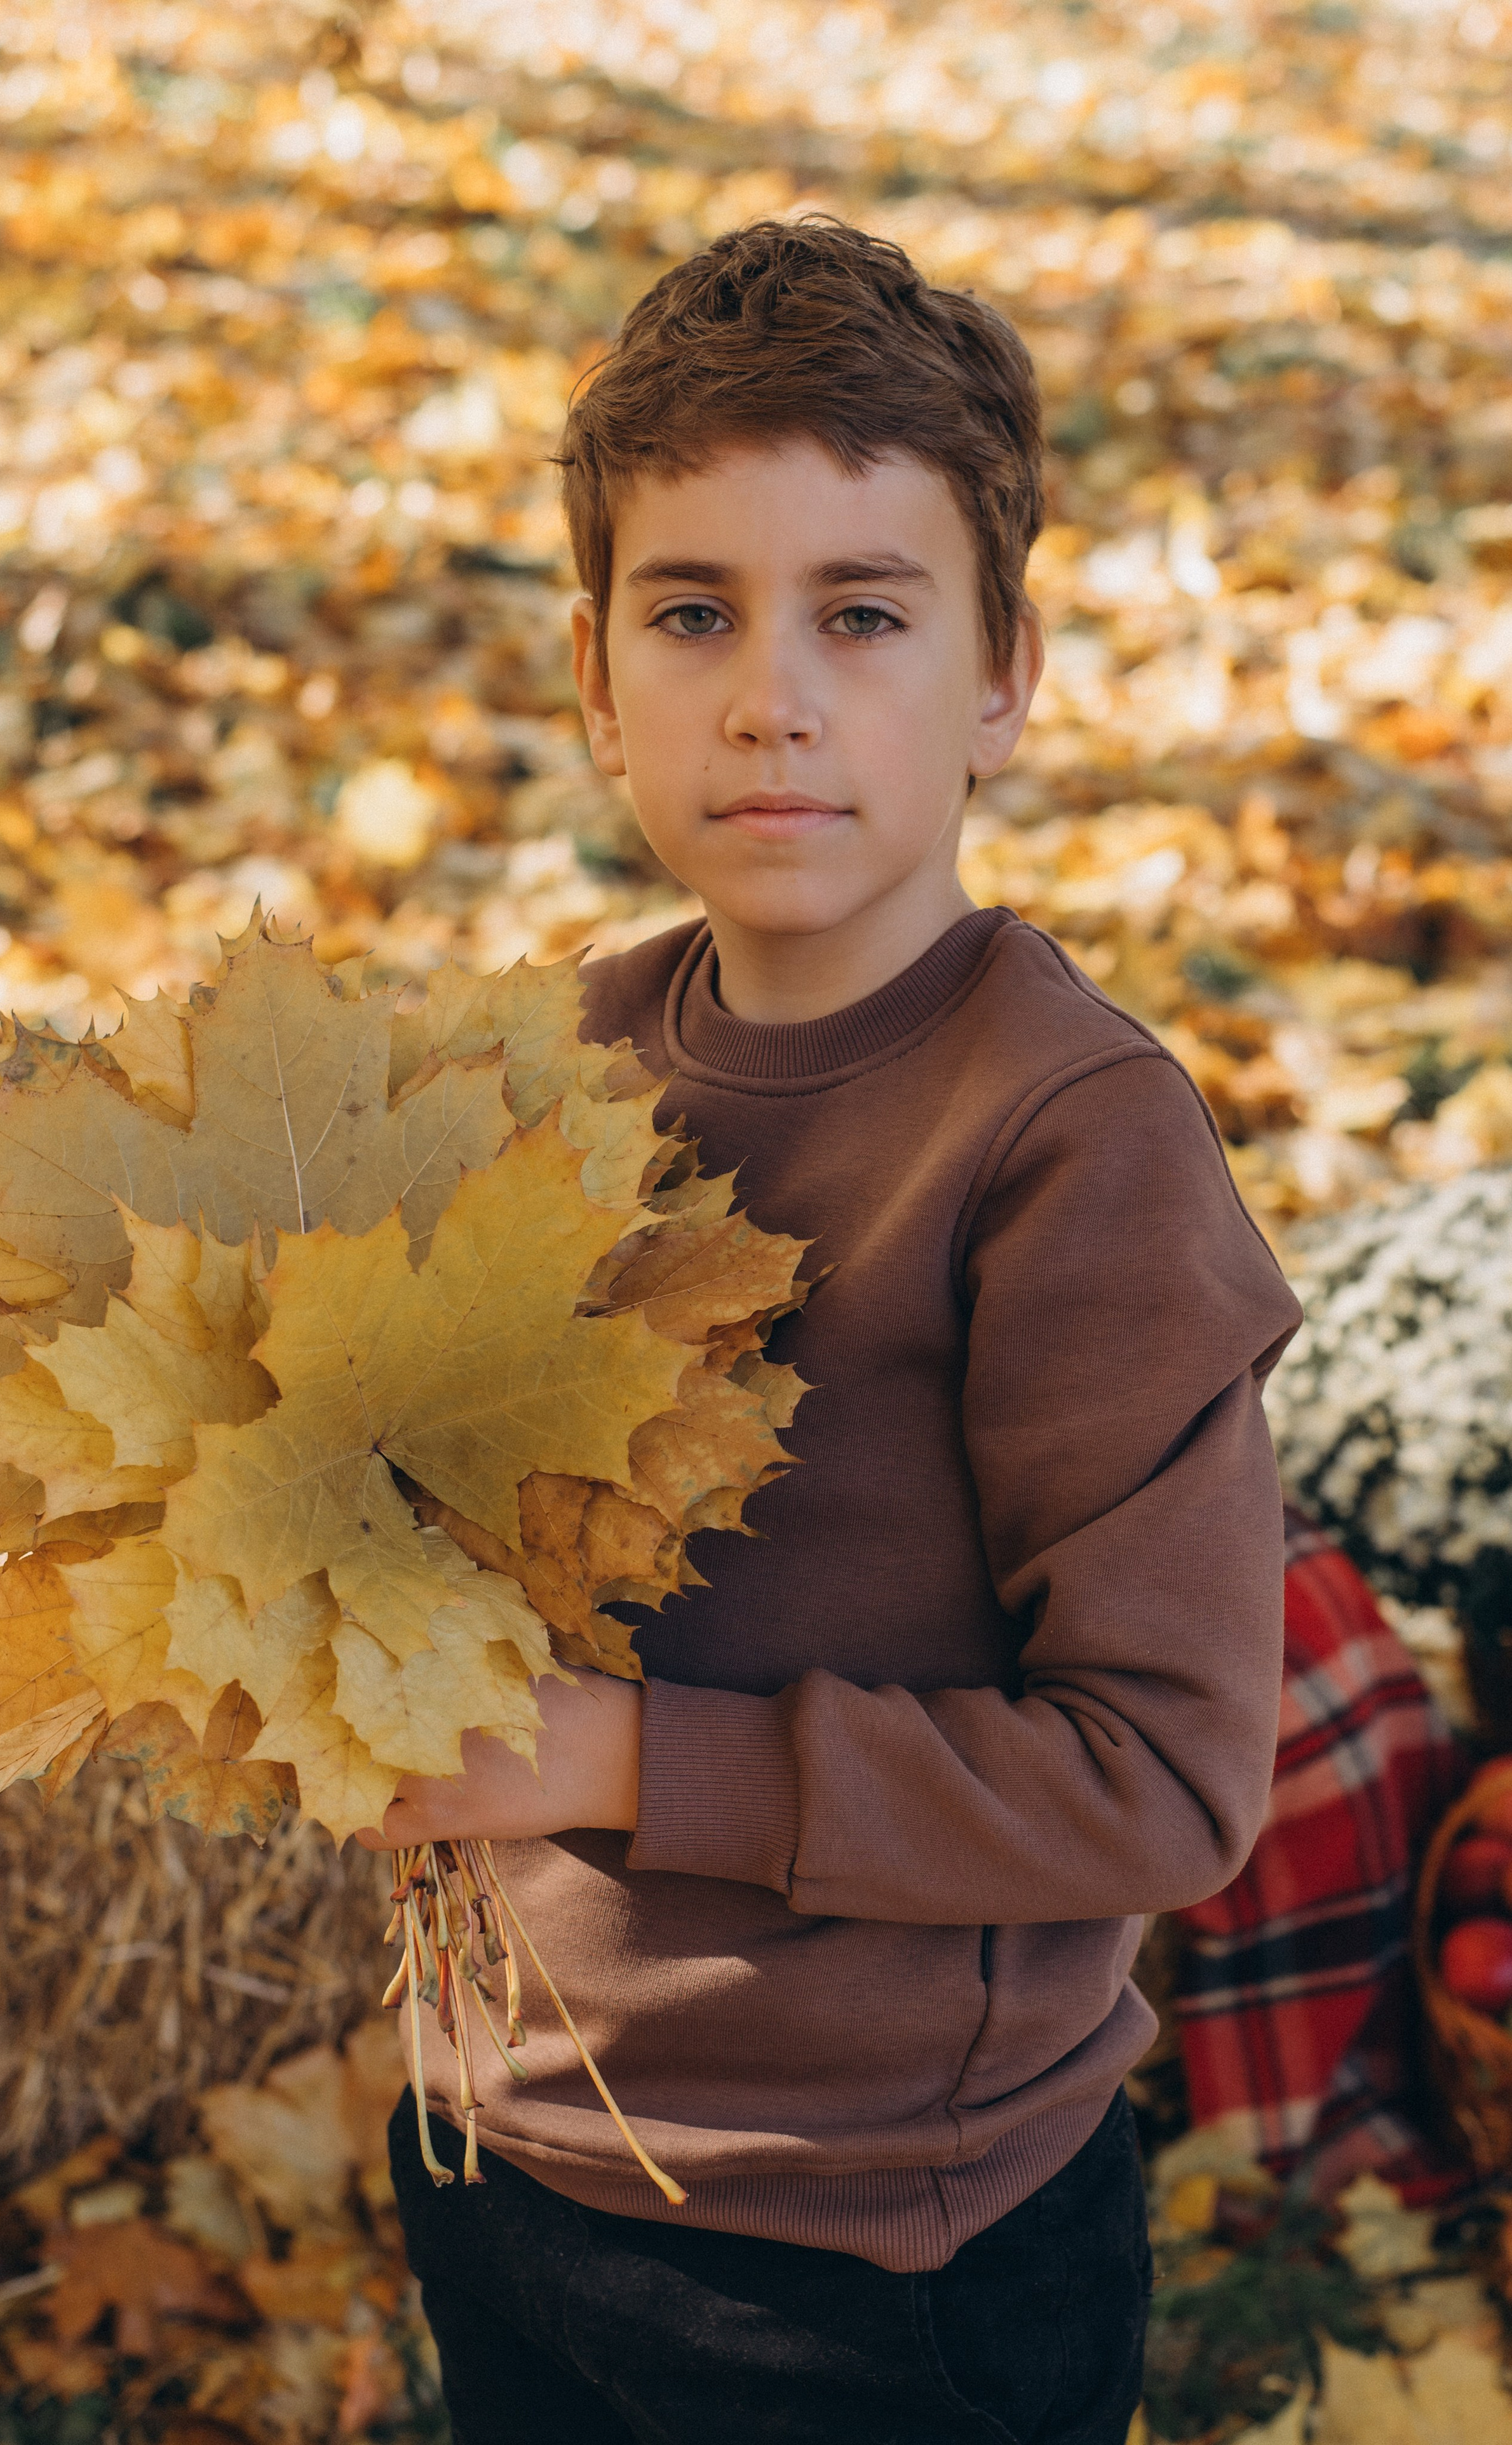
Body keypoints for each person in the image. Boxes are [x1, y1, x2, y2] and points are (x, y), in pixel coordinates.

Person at [359, 217, 1302, 2444]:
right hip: (512, 2141)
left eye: (861, 615)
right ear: (595, 682)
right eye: (693, 614)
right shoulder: (549, 1070)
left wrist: (614, 1762)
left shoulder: (1070, 1144)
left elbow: (1165, 1779)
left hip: (885, 2241)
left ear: (1002, 677)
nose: (771, 692)